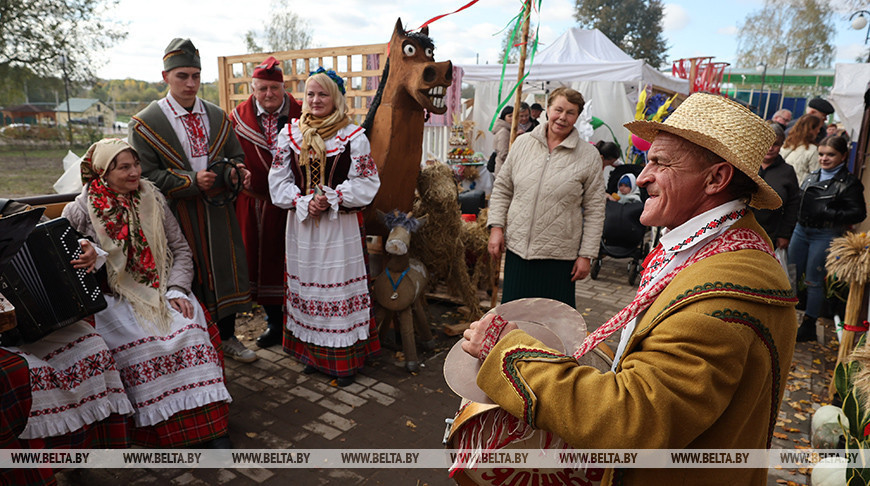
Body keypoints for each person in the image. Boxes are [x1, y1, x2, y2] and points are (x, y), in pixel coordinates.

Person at [464, 93, 797, 485]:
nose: (641, 177)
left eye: (660, 163)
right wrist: (581, 355)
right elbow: (650, 338)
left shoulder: (723, 296)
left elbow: (633, 418)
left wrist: (508, 354)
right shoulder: (720, 248)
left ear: (716, 179)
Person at [61, 138, 233, 447]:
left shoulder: (153, 198)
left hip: (162, 287)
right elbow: (63, 259)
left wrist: (177, 289)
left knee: (189, 329)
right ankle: (157, 429)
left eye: (136, 165)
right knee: (141, 342)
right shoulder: (80, 209)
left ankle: (208, 426)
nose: (134, 172)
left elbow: (180, 250)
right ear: (103, 172)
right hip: (115, 297)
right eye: (124, 167)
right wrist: (86, 254)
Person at [128, 38, 257, 363]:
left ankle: (227, 337)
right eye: (182, 76)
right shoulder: (146, 123)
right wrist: (189, 181)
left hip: (219, 215)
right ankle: (194, 346)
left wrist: (237, 173)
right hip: (176, 216)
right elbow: (142, 177)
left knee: (225, 271)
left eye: (195, 76)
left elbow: (235, 156)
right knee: (188, 275)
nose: (190, 83)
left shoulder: (216, 115)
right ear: (165, 76)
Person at [268, 68, 381, 387]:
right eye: (311, 94)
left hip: (338, 229)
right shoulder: (289, 133)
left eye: (323, 94)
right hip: (303, 228)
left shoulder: (352, 136)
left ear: (337, 99)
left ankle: (344, 361)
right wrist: (302, 201)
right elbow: (277, 183)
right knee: (307, 286)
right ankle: (313, 355)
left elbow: (368, 183)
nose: (316, 100)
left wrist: (332, 197)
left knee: (338, 287)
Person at [487, 87, 605, 307]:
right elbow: (503, 188)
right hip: (518, 253)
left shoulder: (588, 156)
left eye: (570, 113)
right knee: (513, 321)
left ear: (577, 117)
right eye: (558, 109)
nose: (562, 117)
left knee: (553, 327)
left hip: (560, 260)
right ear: (547, 110)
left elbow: (595, 209)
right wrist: (496, 228)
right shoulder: (522, 144)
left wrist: (587, 255)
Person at [230, 56, 302, 348]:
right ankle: (275, 325)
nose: (269, 94)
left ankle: (301, 327)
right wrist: (235, 172)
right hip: (254, 205)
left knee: (294, 266)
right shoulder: (237, 118)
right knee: (260, 266)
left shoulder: (303, 113)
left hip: (295, 206)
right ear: (253, 88)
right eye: (262, 89)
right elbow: (227, 155)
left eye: (274, 88)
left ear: (283, 87)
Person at [789, 135, 866, 342]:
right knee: (791, 273)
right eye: (821, 154)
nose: (824, 158)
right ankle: (787, 315)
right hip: (800, 230)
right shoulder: (812, 175)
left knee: (814, 281)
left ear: (843, 156)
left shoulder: (850, 183)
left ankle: (809, 324)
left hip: (825, 233)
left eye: (830, 155)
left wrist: (829, 213)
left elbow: (859, 213)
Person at [753, 123, 800, 252]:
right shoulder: (747, 167)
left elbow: (793, 205)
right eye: (767, 143)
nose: (770, 148)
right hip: (741, 228)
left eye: (776, 144)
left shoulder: (787, 172)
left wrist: (784, 234)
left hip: (770, 234)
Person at [781, 114, 822, 184]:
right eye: (818, 128)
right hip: (799, 189)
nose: (818, 131)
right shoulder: (812, 150)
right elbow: (815, 175)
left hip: (782, 185)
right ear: (811, 129)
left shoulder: (785, 145)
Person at [491, 105, 514, 178]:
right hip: (503, 169)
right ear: (504, 117)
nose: (512, 118)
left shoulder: (508, 130)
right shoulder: (504, 132)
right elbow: (504, 154)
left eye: (514, 115)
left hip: (503, 168)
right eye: (510, 116)